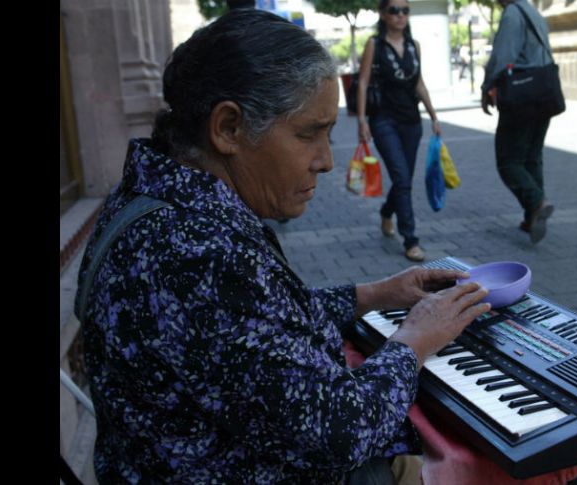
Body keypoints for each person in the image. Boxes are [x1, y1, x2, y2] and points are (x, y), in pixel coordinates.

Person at [74, 9, 490, 484]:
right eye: (308, 133)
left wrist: (375, 294)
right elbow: (341, 432)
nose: (326, 162)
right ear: (229, 127)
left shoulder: (149, 197)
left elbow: (245, 325)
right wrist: (414, 340)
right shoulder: (200, 252)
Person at [357, 0, 441, 262]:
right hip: (383, 120)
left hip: (411, 122)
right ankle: (411, 240)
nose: (400, 15)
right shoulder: (375, 44)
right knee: (402, 178)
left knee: (403, 179)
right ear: (383, 14)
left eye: (405, 10)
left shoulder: (414, 46)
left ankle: (386, 212)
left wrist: (434, 116)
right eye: (394, 10)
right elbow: (362, 82)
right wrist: (362, 120)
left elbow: (419, 83)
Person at [481, 0, 556, 244]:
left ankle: (536, 202)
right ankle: (531, 216)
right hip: (544, 93)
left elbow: (503, 58)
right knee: (532, 157)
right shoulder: (533, 12)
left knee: (508, 161)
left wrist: (486, 87)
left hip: (522, 96)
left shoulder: (513, 14)